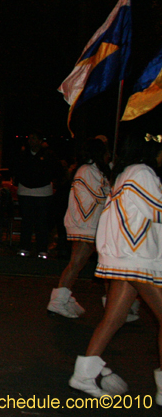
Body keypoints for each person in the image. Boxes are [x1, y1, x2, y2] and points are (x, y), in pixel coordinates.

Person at [68, 131, 162, 403]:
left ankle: (84, 375)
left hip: (124, 257)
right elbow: (157, 210)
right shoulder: (143, 173)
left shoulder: (126, 173)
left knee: (113, 319)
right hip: (136, 258)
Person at [47, 138, 110, 318]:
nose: (108, 155)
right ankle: (115, 304)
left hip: (89, 226)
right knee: (96, 265)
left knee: (101, 266)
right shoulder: (87, 170)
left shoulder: (93, 170)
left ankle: (61, 299)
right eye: (105, 152)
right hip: (87, 226)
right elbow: (97, 196)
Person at [13, 130, 59, 258]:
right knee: (27, 221)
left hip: (43, 193)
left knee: (42, 222)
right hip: (25, 191)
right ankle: (24, 247)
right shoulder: (23, 154)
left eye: (34, 138)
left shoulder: (48, 155)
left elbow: (55, 170)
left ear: (40, 141)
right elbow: (17, 169)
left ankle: (42, 249)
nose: (31, 141)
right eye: (30, 138)